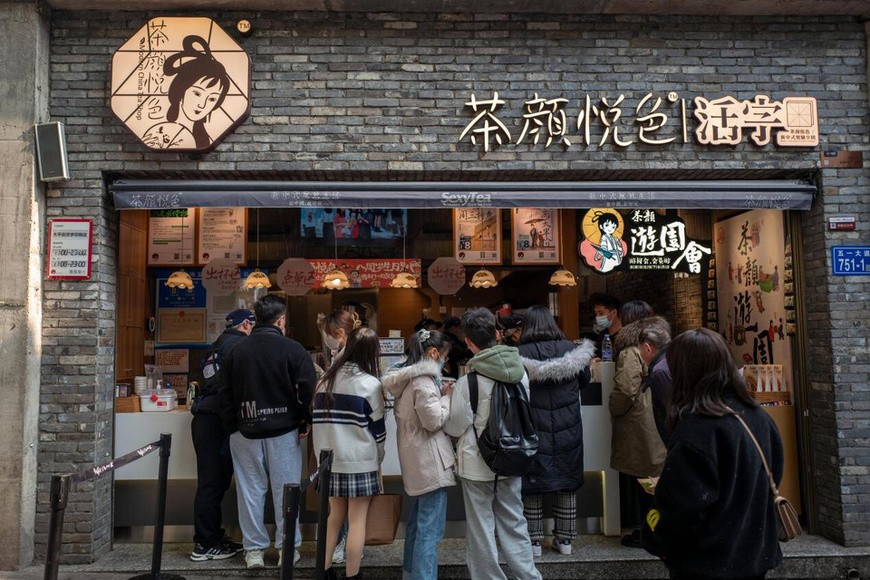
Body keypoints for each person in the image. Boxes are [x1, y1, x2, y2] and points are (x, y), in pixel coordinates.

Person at [641, 328, 784, 580]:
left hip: (706, 562)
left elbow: (679, 512)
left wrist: (653, 534)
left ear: (685, 373)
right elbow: (773, 478)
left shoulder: (697, 431)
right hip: (755, 556)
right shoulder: (759, 418)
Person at [444, 308, 542, 580]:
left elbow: (456, 425)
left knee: (481, 528)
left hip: (477, 464)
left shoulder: (468, 382)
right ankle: (527, 576)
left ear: (468, 342)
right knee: (514, 521)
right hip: (512, 459)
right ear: (498, 335)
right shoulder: (521, 372)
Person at [218, 295, 316, 570]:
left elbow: (223, 393)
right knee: (287, 492)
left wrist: (232, 426)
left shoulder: (237, 350)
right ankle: (287, 549)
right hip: (284, 431)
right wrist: (305, 420)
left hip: (244, 432)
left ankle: (254, 552)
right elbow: (308, 388)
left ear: (256, 319)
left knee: (250, 493)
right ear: (281, 320)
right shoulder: (293, 349)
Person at [517, 305, 595, 557]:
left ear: (526, 326)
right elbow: (584, 382)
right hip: (568, 426)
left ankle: (533, 542)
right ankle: (565, 541)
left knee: (532, 482)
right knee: (566, 480)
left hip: (532, 427)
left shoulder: (518, 354)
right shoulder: (573, 351)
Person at [381, 329, 456, 580]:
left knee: (417, 525)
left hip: (416, 461)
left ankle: (411, 574)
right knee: (430, 531)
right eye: (444, 355)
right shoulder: (424, 380)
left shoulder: (404, 379)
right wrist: (446, 398)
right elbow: (433, 421)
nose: (445, 361)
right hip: (430, 462)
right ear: (433, 353)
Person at [313, 327, 385, 580]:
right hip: (360, 462)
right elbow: (378, 431)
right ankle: (353, 576)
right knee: (357, 522)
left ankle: (323, 572)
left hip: (329, 461)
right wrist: (379, 458)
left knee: (334, 517)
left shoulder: (324, 380)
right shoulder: (371, 384)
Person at [189, 309, 254, 562]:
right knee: (212, 483)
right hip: (216, 420)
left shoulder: (216, 345)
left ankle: (213, 537)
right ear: (247, 324)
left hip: (205, 417)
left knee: (213, 481)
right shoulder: (240, 345)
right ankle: (205, 544)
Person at [608, 301, 665, 548]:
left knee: (646, 483)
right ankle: (652, 530)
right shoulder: (662, 344)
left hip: (640, 422)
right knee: (653, 479)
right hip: (656, 418)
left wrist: (614, 408)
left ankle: (648, 532)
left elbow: (625, 389)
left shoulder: (631, 350)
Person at [316, 309, 360, 564]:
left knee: (341, 517)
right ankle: (349, 568)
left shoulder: (348, 361)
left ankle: (327, 566)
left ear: (341, 333)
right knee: (354, 518)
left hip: (338, 449)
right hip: (354, 452)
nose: (327, 340)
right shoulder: (347, 358)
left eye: (328, 335)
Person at [158, 35, 230, 149]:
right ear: (180, 89)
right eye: (197, 93)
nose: (202, 105)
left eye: (212, 99)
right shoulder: (159, 132)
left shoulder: (205, 140)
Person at [636, 316, 674, 445]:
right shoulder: (671, 360)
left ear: (647, 348)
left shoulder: (660, 372)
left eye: (639, 349)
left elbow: (671, 412)